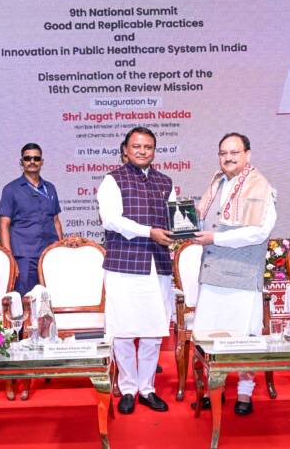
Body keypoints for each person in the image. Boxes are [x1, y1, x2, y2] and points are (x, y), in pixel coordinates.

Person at [192, 133, 276, 415]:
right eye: (223, 153)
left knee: (243, 339)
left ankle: (244, 393)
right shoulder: (216, 183)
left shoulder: (260, 186)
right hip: (212, 274)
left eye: (234, 152)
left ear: (247, 155)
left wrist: (215, 238)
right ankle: (212, 389)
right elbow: (204, 221)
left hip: (241, 277)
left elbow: (258, 232)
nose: (228, 158)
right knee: (208, 336)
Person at [97, 127, 174, 414]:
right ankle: (128, 388)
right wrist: (148, 231)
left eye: (148, 147)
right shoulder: (112, 180)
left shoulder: (165, 182)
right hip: (124, 264)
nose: (142, 151)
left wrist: (183, 230)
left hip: (158, 264)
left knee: (154, 329)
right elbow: (111, 220)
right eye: (137, 146)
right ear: (125, 150)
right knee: (124, 329)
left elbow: (174, 220)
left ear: (154, 151)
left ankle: (147, 388)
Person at [0, 143, 63, 294]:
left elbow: (56, 221)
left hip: (49, 253)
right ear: (22, 162)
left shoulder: (50, 188)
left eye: (36, 158)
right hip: (24, 256)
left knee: (51, 297)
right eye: (28, 158)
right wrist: (9, 258)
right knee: (24, 299)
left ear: (42, 162)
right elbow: (4, 225)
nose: (32, 161)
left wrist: (60, 249)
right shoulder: (11, 189)